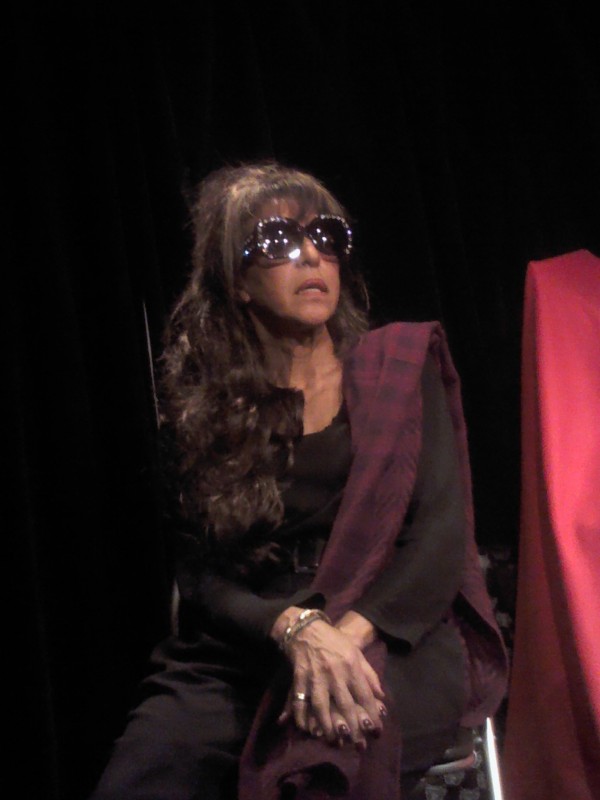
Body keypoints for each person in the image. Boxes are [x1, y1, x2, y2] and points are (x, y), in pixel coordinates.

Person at [90, 162, 507, 800]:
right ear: (238, 281)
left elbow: (439, 538)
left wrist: (344, 637)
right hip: (252, 642)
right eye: (278, 240)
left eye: (326, 237)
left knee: (316, 764)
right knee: (144, 774)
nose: (311, 255)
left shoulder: (396, 368)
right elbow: (202, 575)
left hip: (389, 627)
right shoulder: (203, 408)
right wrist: (293, 630)